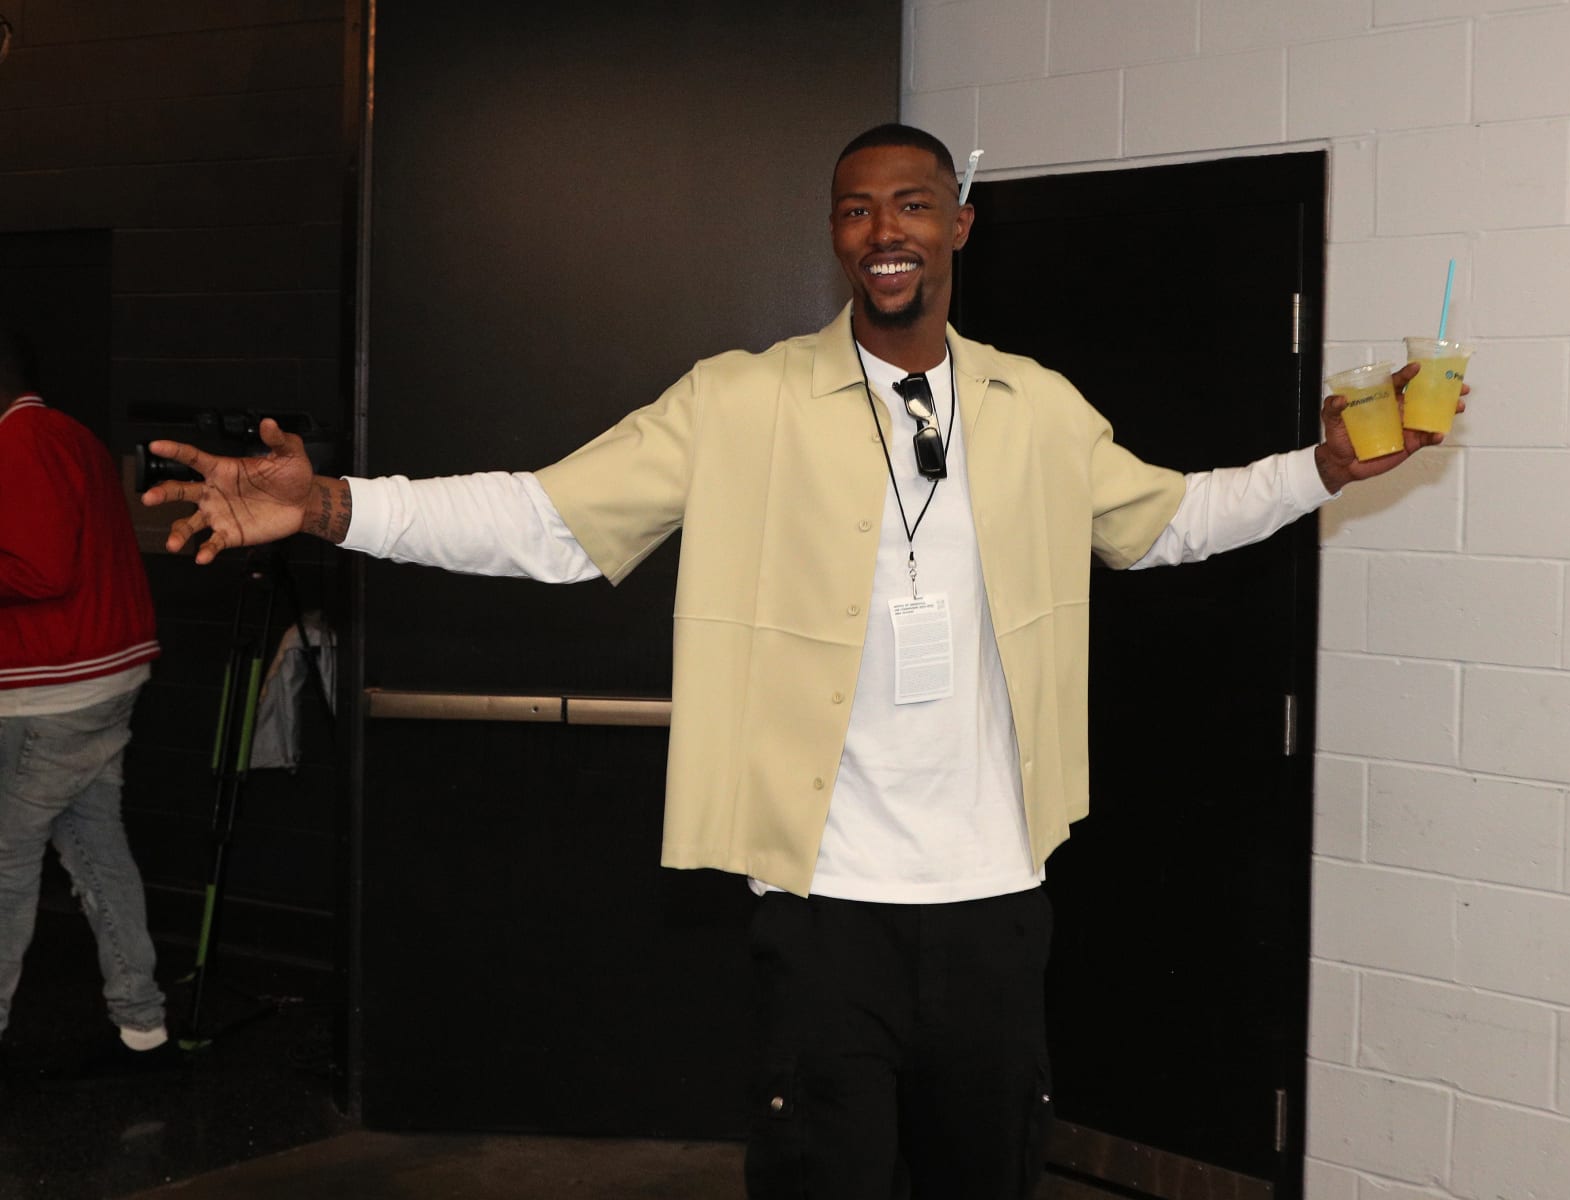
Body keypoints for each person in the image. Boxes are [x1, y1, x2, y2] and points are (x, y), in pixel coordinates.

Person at [143, 124, 1458, 1196]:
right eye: (854, 209)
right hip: (824, 907)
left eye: (910, 203)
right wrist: (332, 507)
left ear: (958, 226)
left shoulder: (1037, 410)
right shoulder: (739, 402)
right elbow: (547, 521)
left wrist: (1320, 470)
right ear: (835, 237)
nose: (883, 227)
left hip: (997, 904)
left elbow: (1170, 520)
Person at [0, 329, 178, 1082]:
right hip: (105, 680)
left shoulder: (19, 441)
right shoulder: (72, 436)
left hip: (47, 693)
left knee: (4, 862)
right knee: (96, 845)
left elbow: (38, 570)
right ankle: (141, 1021)